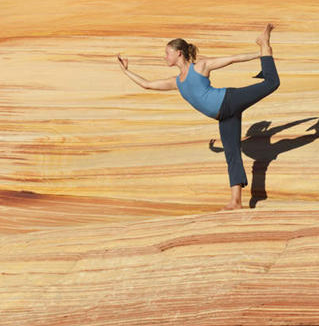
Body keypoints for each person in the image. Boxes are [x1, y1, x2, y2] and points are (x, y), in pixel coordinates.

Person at [117, 24, 279, 210]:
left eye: (167, 53)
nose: (165, 57)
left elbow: (232, 59)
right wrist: (125, 71)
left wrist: (261, 54)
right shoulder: (176, 82)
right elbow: (147, 84)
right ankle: (236, 202)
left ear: (179, 53)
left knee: (272, 83)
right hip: (224, 117)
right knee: (232, 154)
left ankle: (264, 44)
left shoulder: (200, 67)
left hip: (229, 100)